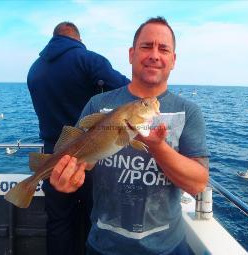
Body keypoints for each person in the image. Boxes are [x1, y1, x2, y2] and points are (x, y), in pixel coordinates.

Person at [50, 17, 209, 255]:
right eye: (146, 46)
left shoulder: (189, 111)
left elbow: (198, 183)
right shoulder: (98, 104)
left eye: (163, 49)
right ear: (131, 54)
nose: (155, 55)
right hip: (103, 246)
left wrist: (158, 147)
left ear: (173, 60)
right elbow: (81, 161)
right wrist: (66, 181)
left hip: (167, 247)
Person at [27, 22, 129, 255]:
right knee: (95, 218)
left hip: (52, 155)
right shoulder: (88, 60)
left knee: (58, 221)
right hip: (90, 152)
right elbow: (126, 90)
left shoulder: (34, 69)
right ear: (78, 39)